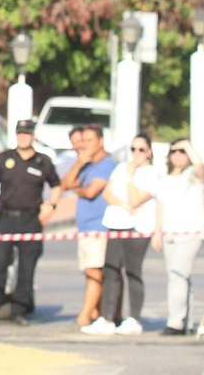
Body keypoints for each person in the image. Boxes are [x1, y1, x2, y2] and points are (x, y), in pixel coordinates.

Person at [0, 120, 58, 326]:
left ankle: (19, 310)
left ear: (33, 136)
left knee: (27, 267)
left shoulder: (43, 161)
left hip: (30, 219)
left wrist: (51, 205)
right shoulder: (4, 159)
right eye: (20, 133)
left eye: (27, 133)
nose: (23, 137)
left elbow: (57, 185)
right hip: (5, 218)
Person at [86, 134, 157, 337]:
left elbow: (136, 199)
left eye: (141, 150)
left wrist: (130, 177)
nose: (136, 154)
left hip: (137, 228)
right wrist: (123, 204)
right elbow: (107, 193)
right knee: (111, 271)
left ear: (149, 152)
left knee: (132, 271)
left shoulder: (150, 174)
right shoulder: (121, 168)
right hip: (116, 224)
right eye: (133, 149)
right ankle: (106, 318)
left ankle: (134, 318)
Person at [62, 124, 116, 327]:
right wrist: (78, 164)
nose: (84, 145)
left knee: (94, 271)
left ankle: (85, 315)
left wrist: (77, 188)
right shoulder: (86, 164)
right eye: (82, 140)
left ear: (100, 141)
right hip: (85, 227)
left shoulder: (106, 164)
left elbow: (91, 191)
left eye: (89, 140)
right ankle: (97, 312)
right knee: (89, 271)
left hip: (98, 226)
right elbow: (65, 183)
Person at [153, 140, 204, 336]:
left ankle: (175, 321)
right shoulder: (164, 178)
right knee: (180, 276)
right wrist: (157, 231)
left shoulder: (191, 176)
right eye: (173, 151)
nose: (177, 155)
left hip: (191, 232)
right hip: (170, 232)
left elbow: (200, 166)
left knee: (177, 274)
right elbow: (160, 206)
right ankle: (187, 320)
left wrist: (188, 146)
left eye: (181, 151)